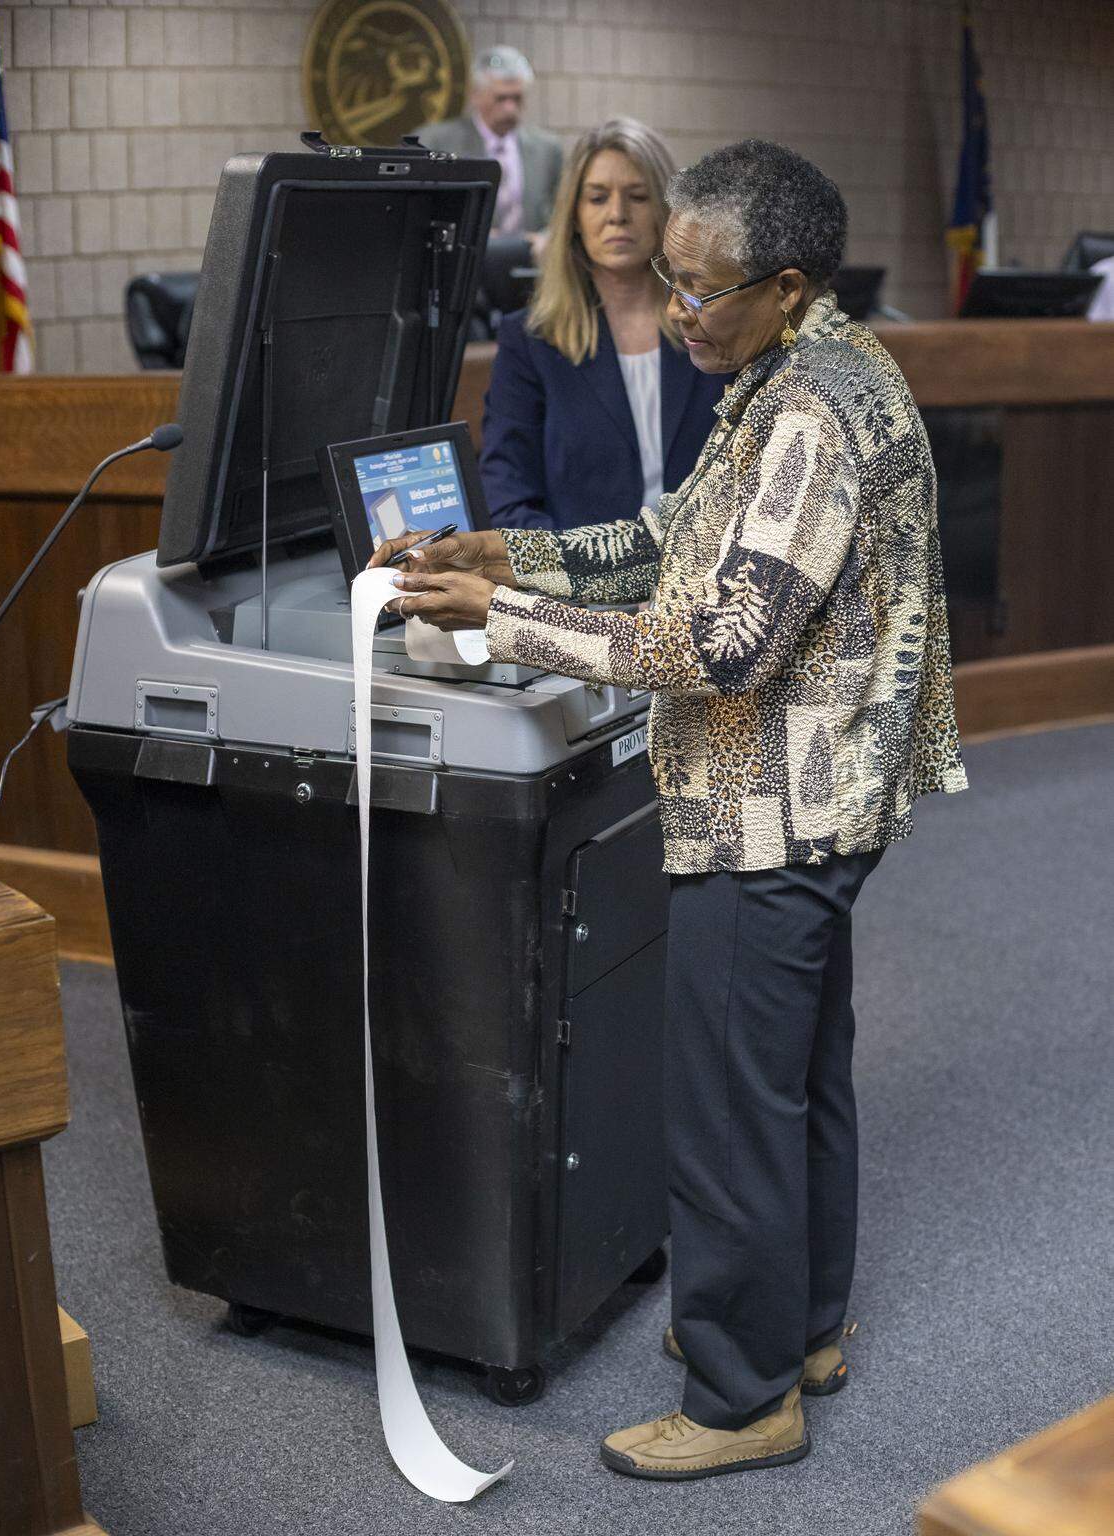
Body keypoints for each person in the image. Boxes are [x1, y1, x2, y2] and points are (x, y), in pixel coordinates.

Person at [374, 139, 967, 1481]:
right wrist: (505, 550)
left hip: (775, 808)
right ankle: (799, 1328)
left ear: (788, 282)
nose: (678, 305)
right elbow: (665, 541)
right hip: (823, 802)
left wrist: (507, 621)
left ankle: (742, 1398)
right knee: (794, 1075)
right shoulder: (800, 369)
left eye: (702, 288)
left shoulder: (808, 414)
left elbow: (723, 645)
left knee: (729, 1104)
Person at [480, 118, 729, 531]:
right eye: (597, 198)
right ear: (574, 216)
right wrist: (579, 581)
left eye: (637, 196)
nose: (617, 215)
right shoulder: (529, 341)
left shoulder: (714, 328)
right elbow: (509, 502)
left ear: (667, 215)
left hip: (707, 578)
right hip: (580, 588)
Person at [417, 46, 562, 252]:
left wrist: (546, 238)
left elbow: (563, 211)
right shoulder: (438, 142)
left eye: (517, 98)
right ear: (476, 95)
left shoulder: (547, 149)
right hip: (465, 260)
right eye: (501, 99)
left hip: (530, 262)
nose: (510, 108)